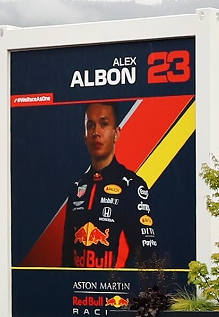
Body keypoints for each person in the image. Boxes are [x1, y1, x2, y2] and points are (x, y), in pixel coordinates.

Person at [62, 101, 158, 268]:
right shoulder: (77, 187)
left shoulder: (133, 186)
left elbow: (146, 256)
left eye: (104, 124)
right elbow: (67, 258)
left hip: (117, 292)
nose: (96, 132)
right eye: (90, 125)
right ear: (84, 136)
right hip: (79, 292)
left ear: (116, 133)